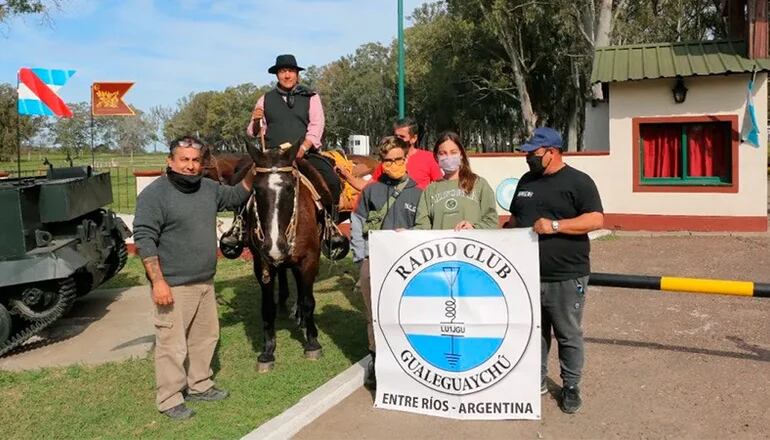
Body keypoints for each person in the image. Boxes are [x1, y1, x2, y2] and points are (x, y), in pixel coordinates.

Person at [133, 136, 255, 420]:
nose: (190, 166)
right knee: (172, 344)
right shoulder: (155, 195)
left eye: (195, 160)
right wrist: (158, 281)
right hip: (173, 284)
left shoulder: (209, 188)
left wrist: (257, 169)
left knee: (205, 337)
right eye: (184, 159)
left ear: (202, 163)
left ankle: (199, 384)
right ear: (170, 161)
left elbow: (237, 195)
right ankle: (170, 398)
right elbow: (145, 239)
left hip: (205, 281)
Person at [503, 127, 604, 414]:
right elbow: (514, 218)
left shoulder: (579, 181)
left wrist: (556, 225)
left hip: (566, 275)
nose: (528, 159)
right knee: (534, 331)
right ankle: (536, 381)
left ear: (552, 152)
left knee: (567, 333)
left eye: (533, 154)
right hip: (527, 273)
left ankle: (571, 386)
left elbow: (596, 219)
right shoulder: (526, 180)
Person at [350, 136, 423, 390]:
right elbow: (357, 222)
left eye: (398, 159)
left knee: (406, 313)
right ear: (382, 162)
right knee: (375, 315)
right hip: (375, 262)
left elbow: (425, 229)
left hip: (409, 267)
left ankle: (409, 363)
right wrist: (361, 258)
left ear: (405, 159)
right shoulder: (371, 190)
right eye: (389, 160)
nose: (394, 164)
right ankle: (378, 362)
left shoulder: (418, 192)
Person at [246, 53, 341, 207]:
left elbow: (317, 125)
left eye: (290, 71)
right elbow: (253, 132)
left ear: (297, 74)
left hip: (304, 155)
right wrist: (256, 121)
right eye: (283, 71)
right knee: (241, 181)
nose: (287, 75)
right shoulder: (264, 99)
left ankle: (331, 224)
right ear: (277, 75)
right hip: (272, 157)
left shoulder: (311, 97)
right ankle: (242, 225)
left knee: (332, 181)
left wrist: (303, 148)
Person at [414, 131, 498, 230]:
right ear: (437, 157)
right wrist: (404, 235)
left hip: (470, 244)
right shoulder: (430, 190)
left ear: (461, 154)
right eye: (443, 153)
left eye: (453, 152)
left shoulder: (479, 184)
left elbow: (492, 221)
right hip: (441, 245)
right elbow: (422, 227)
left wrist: (474, 227)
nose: (448, 157)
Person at [369, 117, 442, 189]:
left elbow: (439, 186)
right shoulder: (389, 159)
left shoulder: (428, 158)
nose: (397, 140)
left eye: (402, 137)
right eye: (395, 136)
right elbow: (370, 186)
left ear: (414, 138)